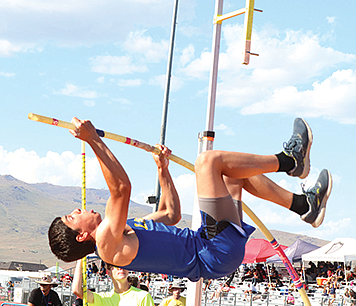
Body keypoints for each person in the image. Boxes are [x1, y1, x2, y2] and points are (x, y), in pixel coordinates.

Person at [48, 117, 332, 282]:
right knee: (208, 162)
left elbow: (170, 214)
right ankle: (290, 161)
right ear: (83, 235)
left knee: (233, 174)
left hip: (213, 250)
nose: (76, 209)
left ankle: (304, 205)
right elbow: (121, 187)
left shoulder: (125, 231)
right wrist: (92, 140)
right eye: (71, 217)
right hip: (212, 250)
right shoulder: (108, 245)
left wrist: (163, 171)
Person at [72, 260, 156, 306]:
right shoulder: (105, 298)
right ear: (108, 272)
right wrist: (80, 258)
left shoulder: (143, 296)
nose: (121, 268)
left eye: (124, 264)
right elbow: (77, 290)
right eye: (116, 266)